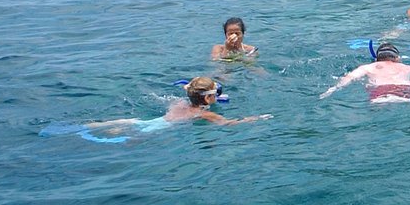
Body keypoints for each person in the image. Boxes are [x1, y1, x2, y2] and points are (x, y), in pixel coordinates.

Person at [83, 77, 271, 135]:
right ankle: (115, 132)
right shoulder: (203, 114)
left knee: (130, 123)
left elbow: (167, 99)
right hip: (158, 128)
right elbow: (228, 123)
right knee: (129, 136)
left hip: (148, 120)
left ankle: (93, 125)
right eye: (214, 94)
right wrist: (255, 119)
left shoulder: (180, 102)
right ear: (207, 99)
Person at [320, 42, 410, 102]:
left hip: (383, 91)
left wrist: (332, 89)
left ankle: (397, 99)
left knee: (378, 103)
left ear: (377, 58)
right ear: (397, 58)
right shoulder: (406, 67)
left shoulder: (368, 67)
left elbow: (349, 78)